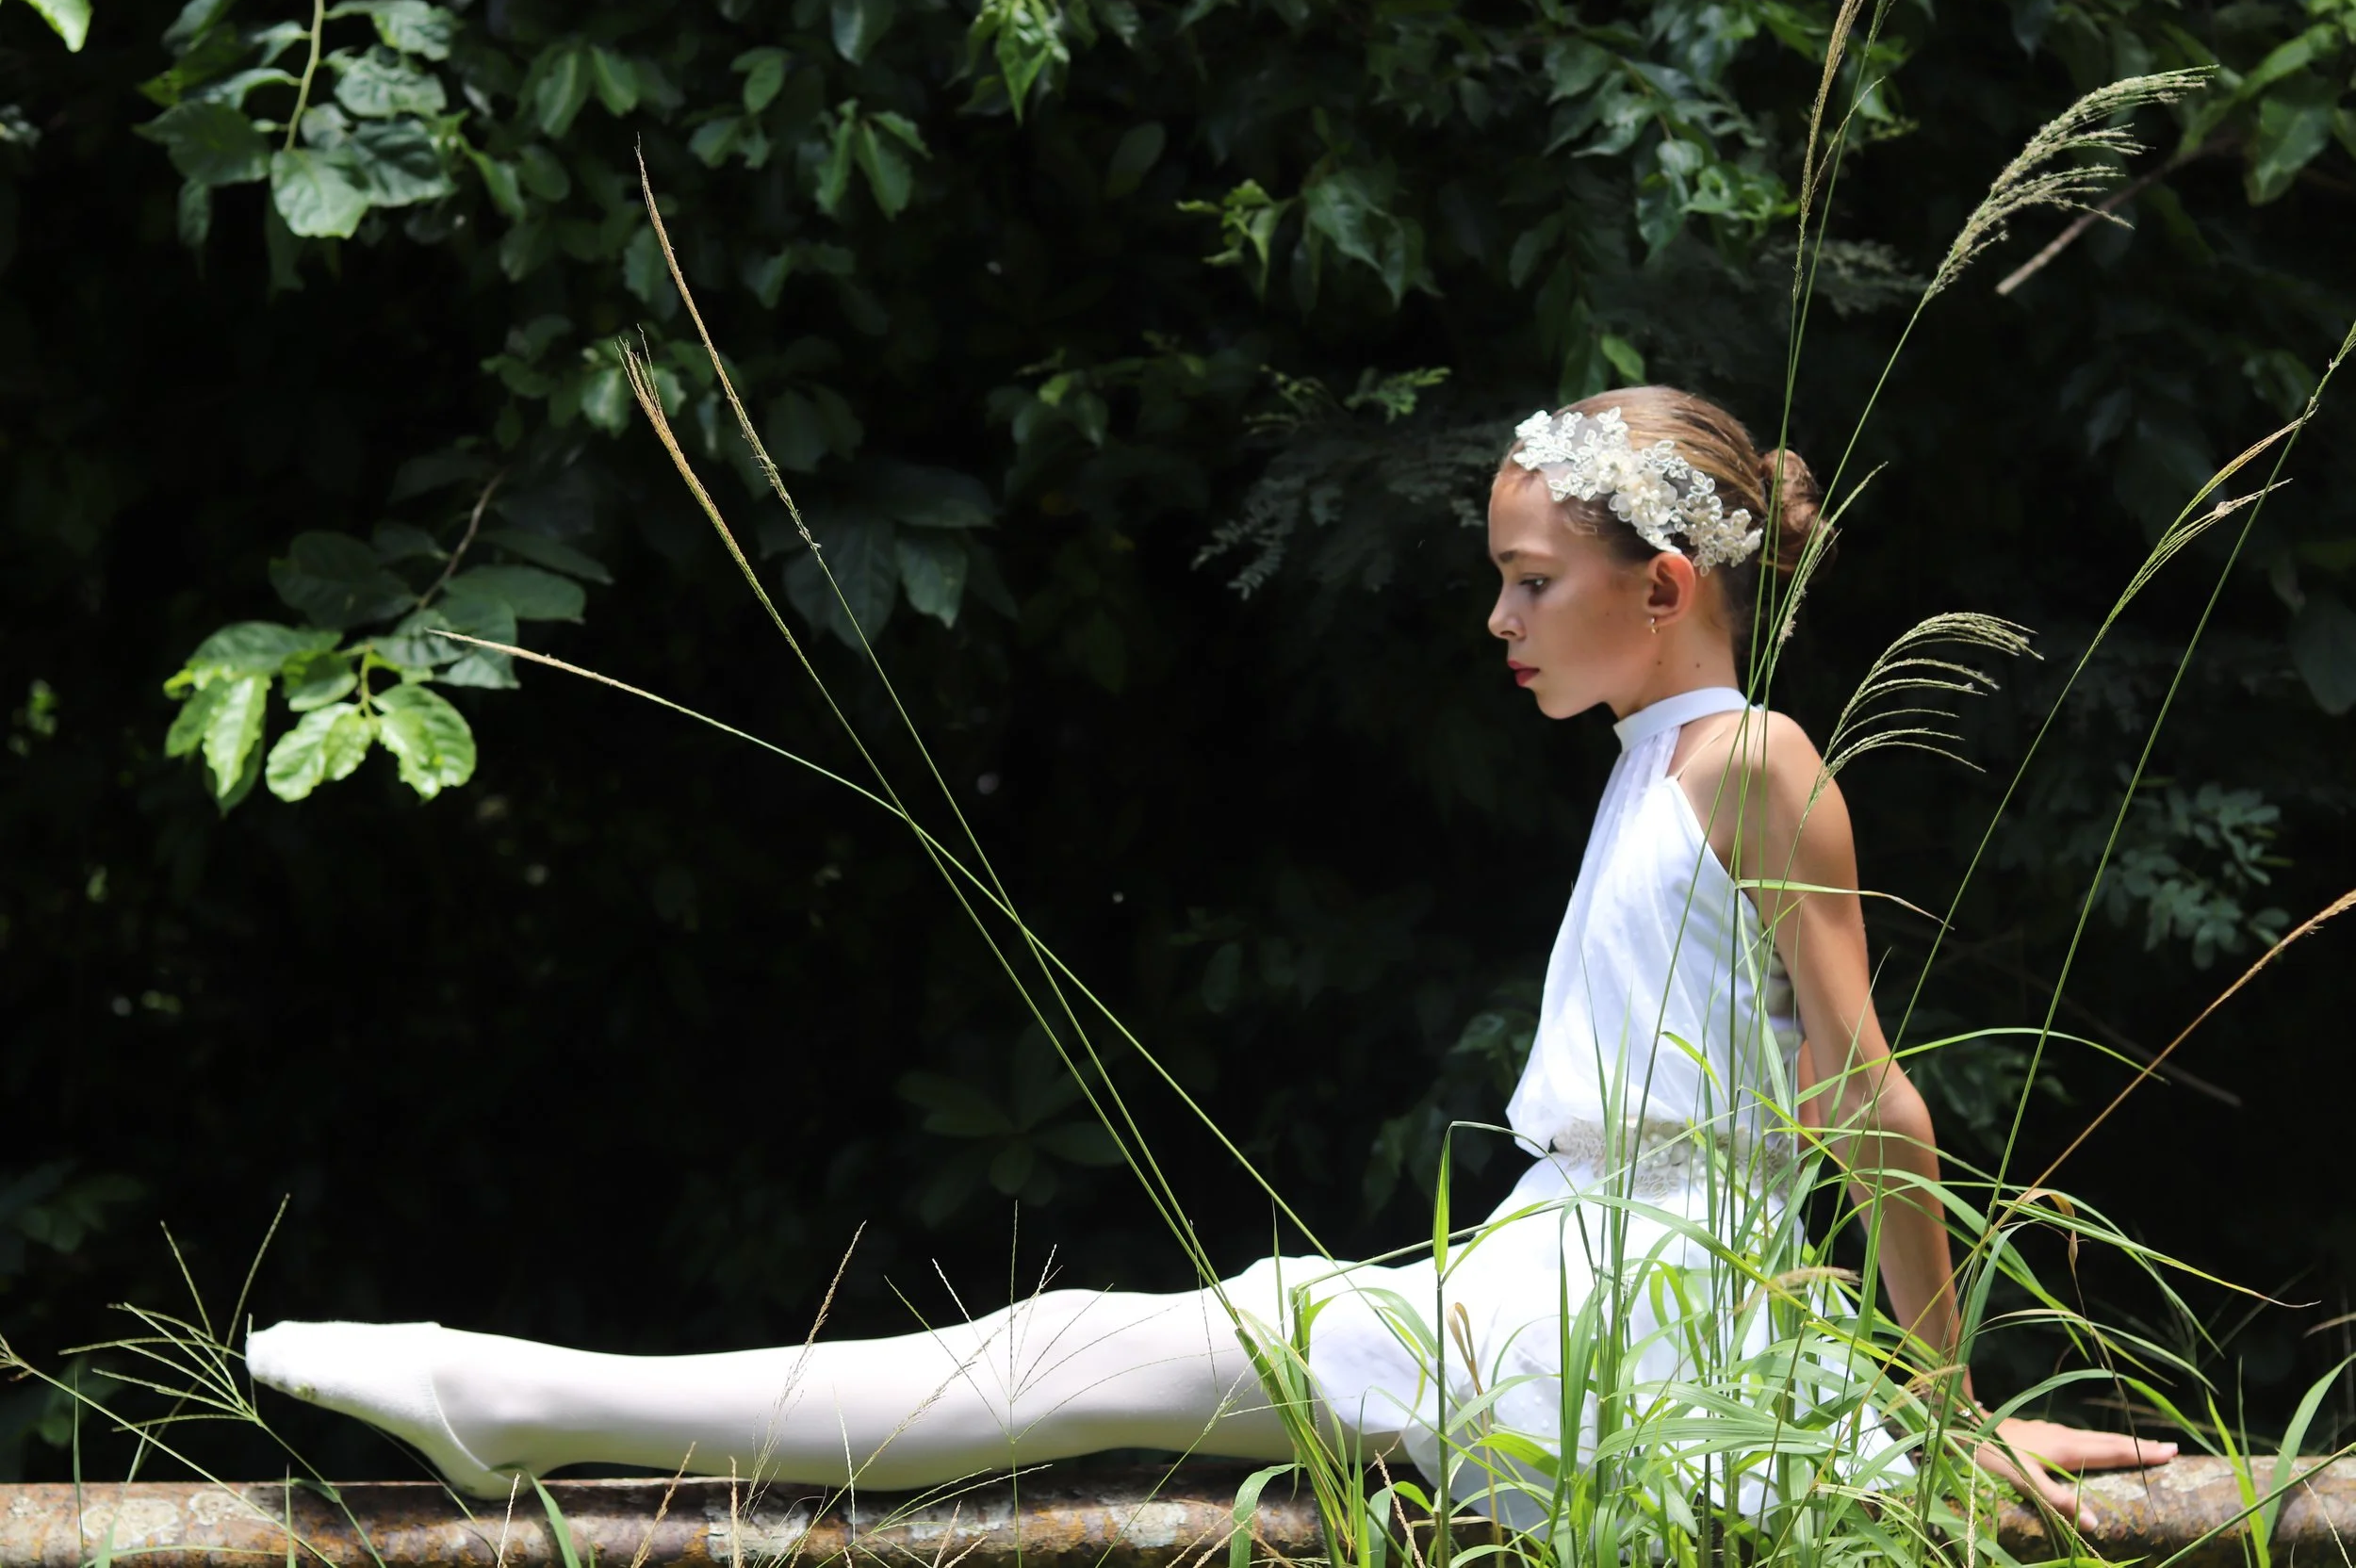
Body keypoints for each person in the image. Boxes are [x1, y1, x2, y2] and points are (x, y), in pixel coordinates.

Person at [247, 386, 2173, 1529]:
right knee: (1073, 1350)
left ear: (1658, 583)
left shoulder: (1747, 759)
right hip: (1559, 1270)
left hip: (1625, 1307)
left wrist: (1934, 1415)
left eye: (1528, 580)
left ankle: (516, 1404)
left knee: (1074, 1347)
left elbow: (1873, 1106)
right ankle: (516, 1401)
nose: (1496, 617)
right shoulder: (1650, 762)